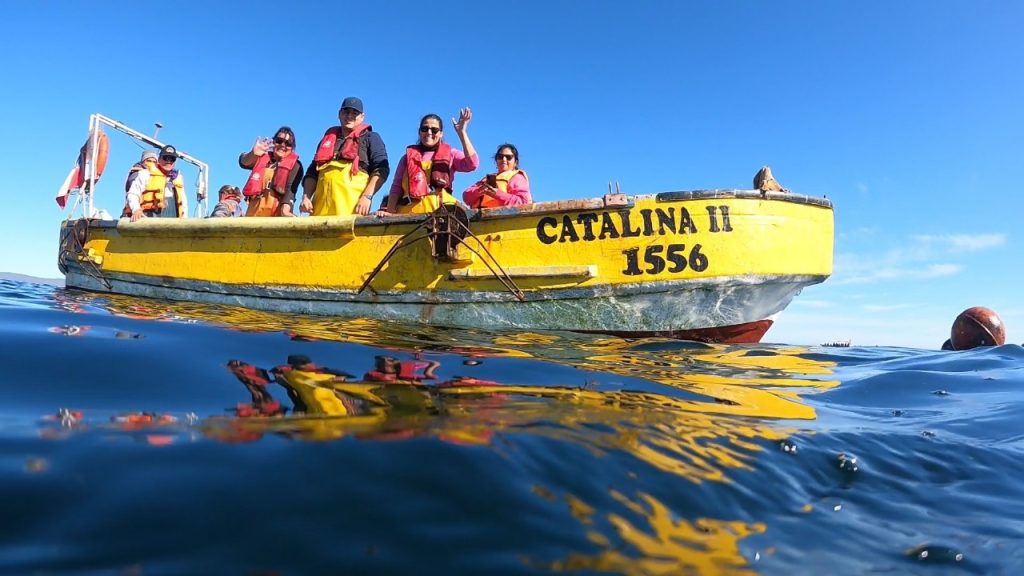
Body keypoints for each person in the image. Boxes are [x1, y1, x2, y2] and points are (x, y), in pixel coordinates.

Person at [378, 108, 478, 215]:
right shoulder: (406, 158)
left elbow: (472, 164)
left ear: (441, 134)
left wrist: (462, 132)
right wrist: (390, 212)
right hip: (408, 214)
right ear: (419, 132)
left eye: (434, 130)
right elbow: (396, 187)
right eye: (425, 129)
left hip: (441, 215)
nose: (429, 133)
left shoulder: (451, 154)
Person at [300, 97, 389, 216]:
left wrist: (367, 197)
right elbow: (312, 172)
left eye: (355, 113)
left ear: (362, 117)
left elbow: (381, 170)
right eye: (346, 112)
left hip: (351, 212)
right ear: (339, 114)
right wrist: (306, 197)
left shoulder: (371, 138)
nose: (349, 116)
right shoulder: (327, 139)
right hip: (319, 212)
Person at [239, 127, 303, 217]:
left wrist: (285, 211)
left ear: (292, 148)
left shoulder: (296, 166)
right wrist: (253, 153)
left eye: (288, 143)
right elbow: (243, 162)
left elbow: (290, 191)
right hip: (253, 215)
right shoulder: (261, 157)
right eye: (279, 141)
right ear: (273, 142)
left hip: (276, 218)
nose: (283, 145)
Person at [124, 144, 187, 221]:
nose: (168, 161)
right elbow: (132, 194)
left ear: (175, 162)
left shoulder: (178, 178)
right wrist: (136, 209)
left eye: (172, 159)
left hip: (173, 222)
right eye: (166, 158)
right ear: (159, 159)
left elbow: (184, 204)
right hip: (148, 219)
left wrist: (184, 220)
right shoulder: (145, 174)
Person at [461, 143, 531, 209]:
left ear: (515, 162)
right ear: (496, 160)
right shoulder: (486, 179)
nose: (504, 159)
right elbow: (466, 197)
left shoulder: (517, 178)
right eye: (500, 157)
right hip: (479, 219)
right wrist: (479, 190)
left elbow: (524, 202)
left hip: (505, 219)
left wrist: (497, 194)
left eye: (508, 157)